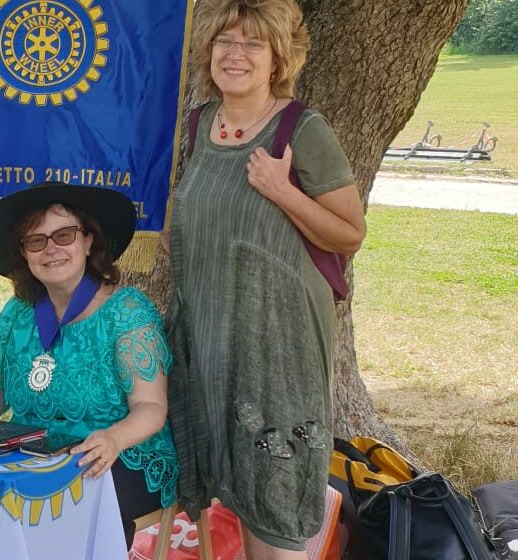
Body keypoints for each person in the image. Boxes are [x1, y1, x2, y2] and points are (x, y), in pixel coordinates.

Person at [166, 0, 366, 558]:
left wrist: (283, 191)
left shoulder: (302, 128)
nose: (236, 54)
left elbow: (349, 234)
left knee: (273, 500)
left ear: (278, 58)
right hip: (208, 340)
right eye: (225, 41)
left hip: (278, 348)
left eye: (253, 43)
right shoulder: (197, 123)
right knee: (226, 480)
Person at [0, 181, 179, 548]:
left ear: (87, 241)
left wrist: (113, 439)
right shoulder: (16, 315)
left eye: (63, 235)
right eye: (37, 241)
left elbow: (151, 408)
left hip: (117, 454)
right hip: (35, 453)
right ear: (25, 254)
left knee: (63, 505)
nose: (51, 249)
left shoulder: (126, 313)